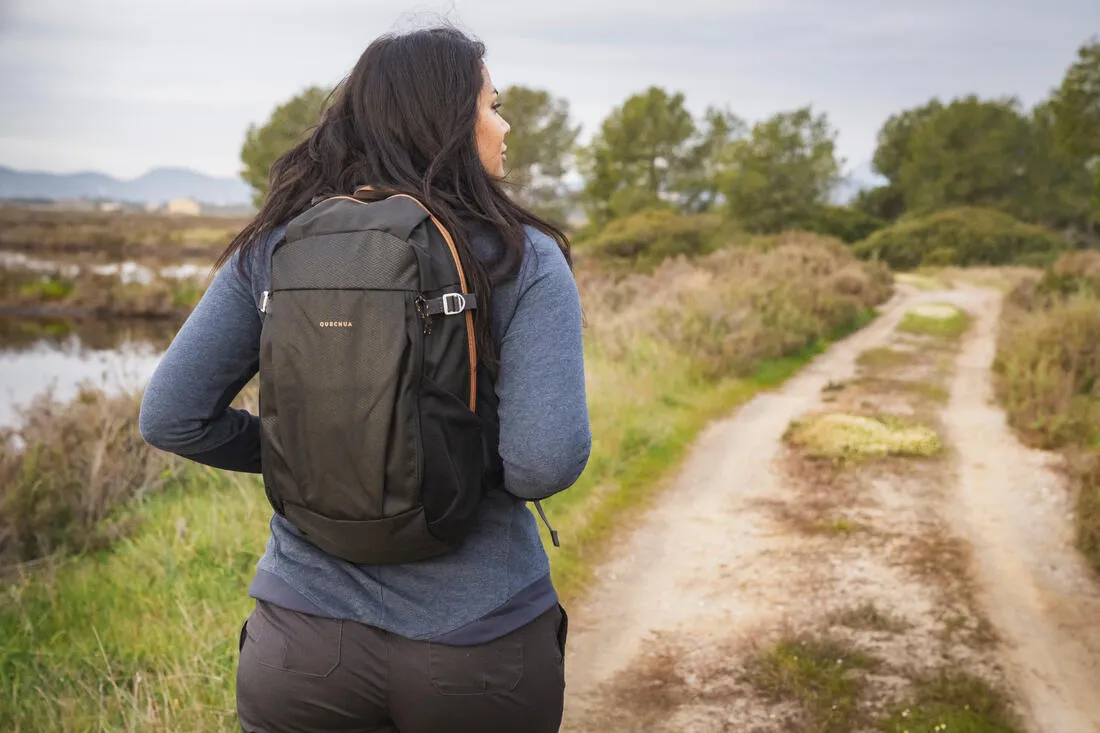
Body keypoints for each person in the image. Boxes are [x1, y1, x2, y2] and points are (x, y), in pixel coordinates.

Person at [138, 25, 591, 733]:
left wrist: (324, 450)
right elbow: (543, 463)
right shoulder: (523, 256)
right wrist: (423, 450)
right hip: (476, 648)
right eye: (494, 106)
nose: (505, 127)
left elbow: (171, 416)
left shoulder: (278, 245)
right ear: (448, 121)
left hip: (300, 646)